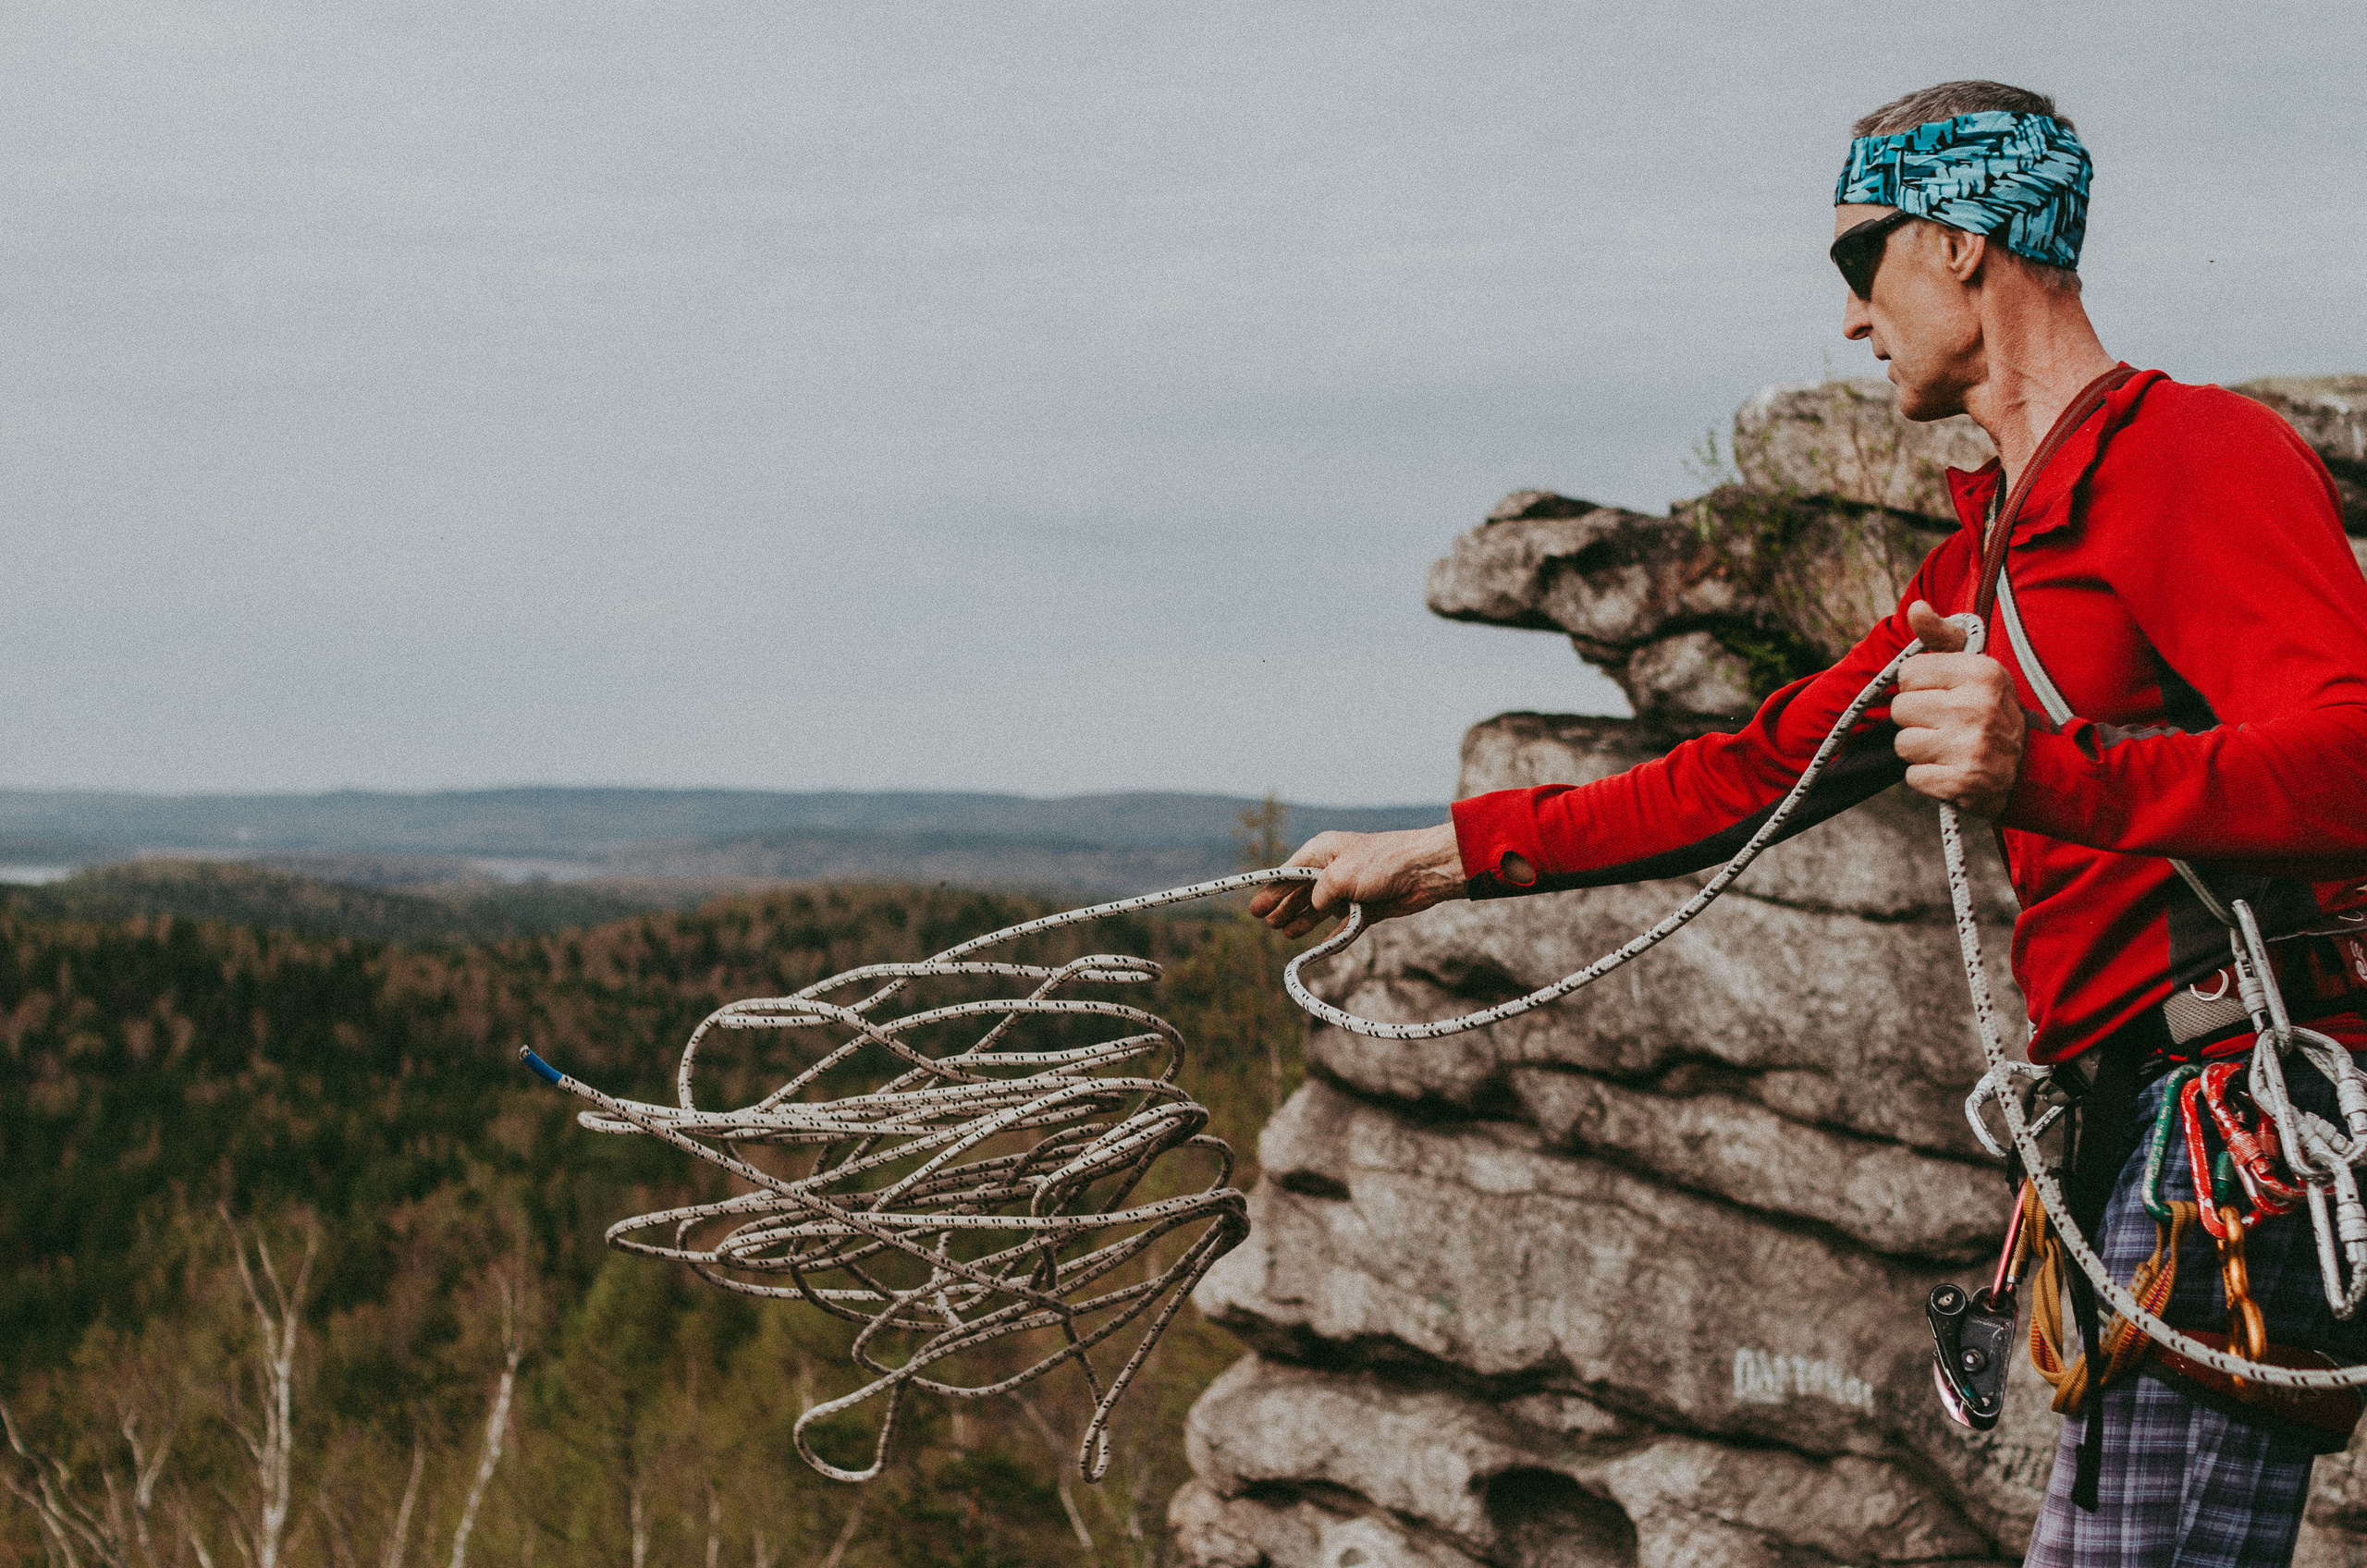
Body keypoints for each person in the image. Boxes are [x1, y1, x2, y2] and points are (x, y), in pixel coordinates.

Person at [1250, 80, 2367, 1567]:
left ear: (1961, 243)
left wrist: (2058, 777)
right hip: (2131, 1144)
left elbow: (2355, 762)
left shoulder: (2192, 459)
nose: (1850, 321)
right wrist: (1441, 857)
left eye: (1861, 263)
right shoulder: (1984, 555)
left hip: (2232, 1131)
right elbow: (1751, 769)